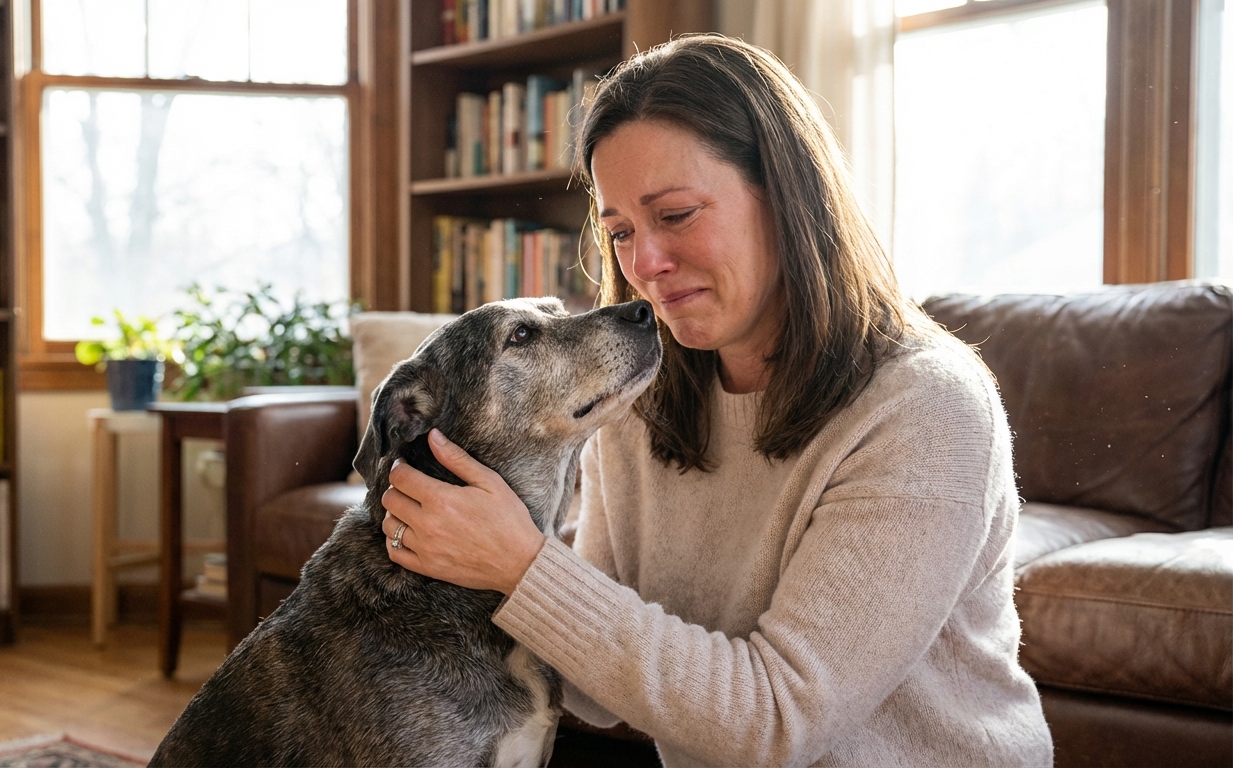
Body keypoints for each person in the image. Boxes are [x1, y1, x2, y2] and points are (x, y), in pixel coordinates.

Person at [380, 34, 1053, 767]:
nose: (645, 265)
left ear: (787, 195)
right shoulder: (640, 402)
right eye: (621, 232)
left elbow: (777, 724)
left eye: (675, 215)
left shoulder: (927, 409)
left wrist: (523, 565)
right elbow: (600, 693)